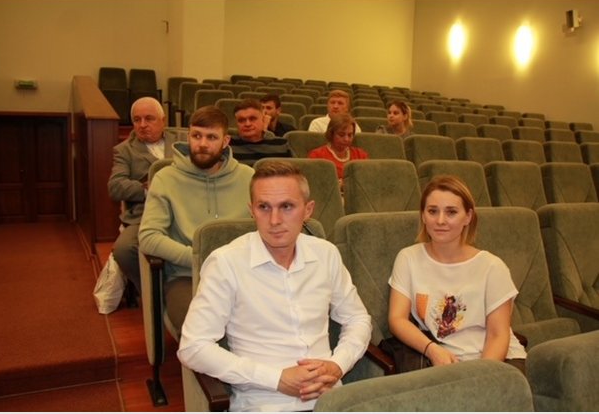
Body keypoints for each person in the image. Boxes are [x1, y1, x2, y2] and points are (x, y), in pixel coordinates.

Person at [178, 160, 372, 412]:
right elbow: (193, 347)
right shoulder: (226, 263)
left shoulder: (326, 254)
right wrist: (276, 379)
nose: (274, 220)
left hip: (330, 400)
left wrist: (337, 365)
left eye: (287, 206)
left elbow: (358, 319)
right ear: (251, 210)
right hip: (264, 403)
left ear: (308, 210)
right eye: (264, 207)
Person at [387, 175, 526, 374]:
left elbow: (497, 335)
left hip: (495, 360)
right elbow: (397, 319)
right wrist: (431, 350)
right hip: (441, 358)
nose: (440, 220)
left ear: (468, 217)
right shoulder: (408, 258)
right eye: (432, 211)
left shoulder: (493, 267)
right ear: (423, 216)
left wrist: (479, 378)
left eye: (451, 212)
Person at [138, 105, 254, 330]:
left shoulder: (248, 177)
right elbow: (148, 237)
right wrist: (197, 259)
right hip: (188, 276)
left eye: (211, 137)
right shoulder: (165, 178)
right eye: (196, 135)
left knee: (268, 324)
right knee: (201, 330)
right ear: (188, 136)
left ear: (225, 141)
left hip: (242, 274)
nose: (202, 144)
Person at [108, 96, 185, 295]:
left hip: (185, 208)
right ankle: (153, 293)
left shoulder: (182, 141)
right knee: (124, 250)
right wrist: (147, 189)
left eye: (149, 118)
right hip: (145, 213)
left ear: (163, 120)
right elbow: (115, 187)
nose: (142, 125)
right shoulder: (124, 150)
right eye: (137, 120)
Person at [307, 113, 368, 190]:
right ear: (331, 134)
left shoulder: (361, 155)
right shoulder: (317, 155)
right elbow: (315, 185)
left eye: (350, 135)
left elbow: (366, 182)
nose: (346, 139)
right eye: (341, 135)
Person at [230, 98, 292, 166]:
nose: (247, 124)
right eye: (241, 120)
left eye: (253, 119)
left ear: (263, 120)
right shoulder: (228, 146)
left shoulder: (281, 144)